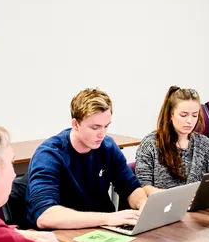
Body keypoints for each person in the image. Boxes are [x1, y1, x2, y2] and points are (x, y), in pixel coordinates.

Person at [26, 88, 148, 230]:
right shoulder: (49, 155)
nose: (102, 134)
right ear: (75, 125)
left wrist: (144, 206)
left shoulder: (108, 146)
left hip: (102, 230)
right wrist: (109, 218)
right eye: (95, 127)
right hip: (63, 234)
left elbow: (131, 187)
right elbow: (45, 216)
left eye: (106, 126)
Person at [136, 86, 209, 190]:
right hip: (165, 204)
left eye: (194, 115)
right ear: (171, 115)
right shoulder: (151, 144)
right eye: (183, 115)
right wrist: (177, 198)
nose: (189, 121)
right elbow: (143, 187)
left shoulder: (205, 144)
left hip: (198, 205)